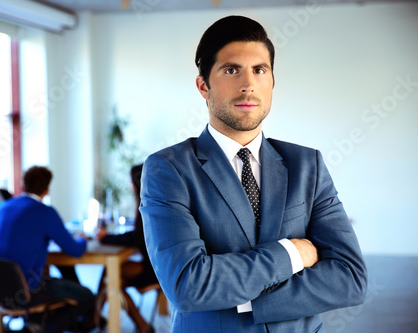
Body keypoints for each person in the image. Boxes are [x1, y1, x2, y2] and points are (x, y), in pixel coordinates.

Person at [140, 16, 367, 332]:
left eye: (260, 70)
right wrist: (291, 253)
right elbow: (188, 286)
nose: (248, 84)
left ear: (272, 81)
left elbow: (350, 278)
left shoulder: (306, 165)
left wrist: (246, 298)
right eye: (231, 70)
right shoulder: (169, 168)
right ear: (203, 85)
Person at [0, 166, 97, 332]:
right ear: (47, 190)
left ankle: (35, 324)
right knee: (88, 296)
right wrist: (83, 239)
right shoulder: (45, 212)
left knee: (54, 281)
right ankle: (40, 329)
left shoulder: (2, 207)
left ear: (23, 184)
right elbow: (75, 251)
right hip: (27, 289)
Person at [96, 164, 157, 333]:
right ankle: (143, 327)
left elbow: (135, 239)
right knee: (114, 282)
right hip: (159, 265)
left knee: (111, 275)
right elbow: (137, 235)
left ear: (136, 183)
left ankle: (91, 318)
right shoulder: (154, 199)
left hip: (154, 270)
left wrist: (106, 238)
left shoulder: (147, 204)